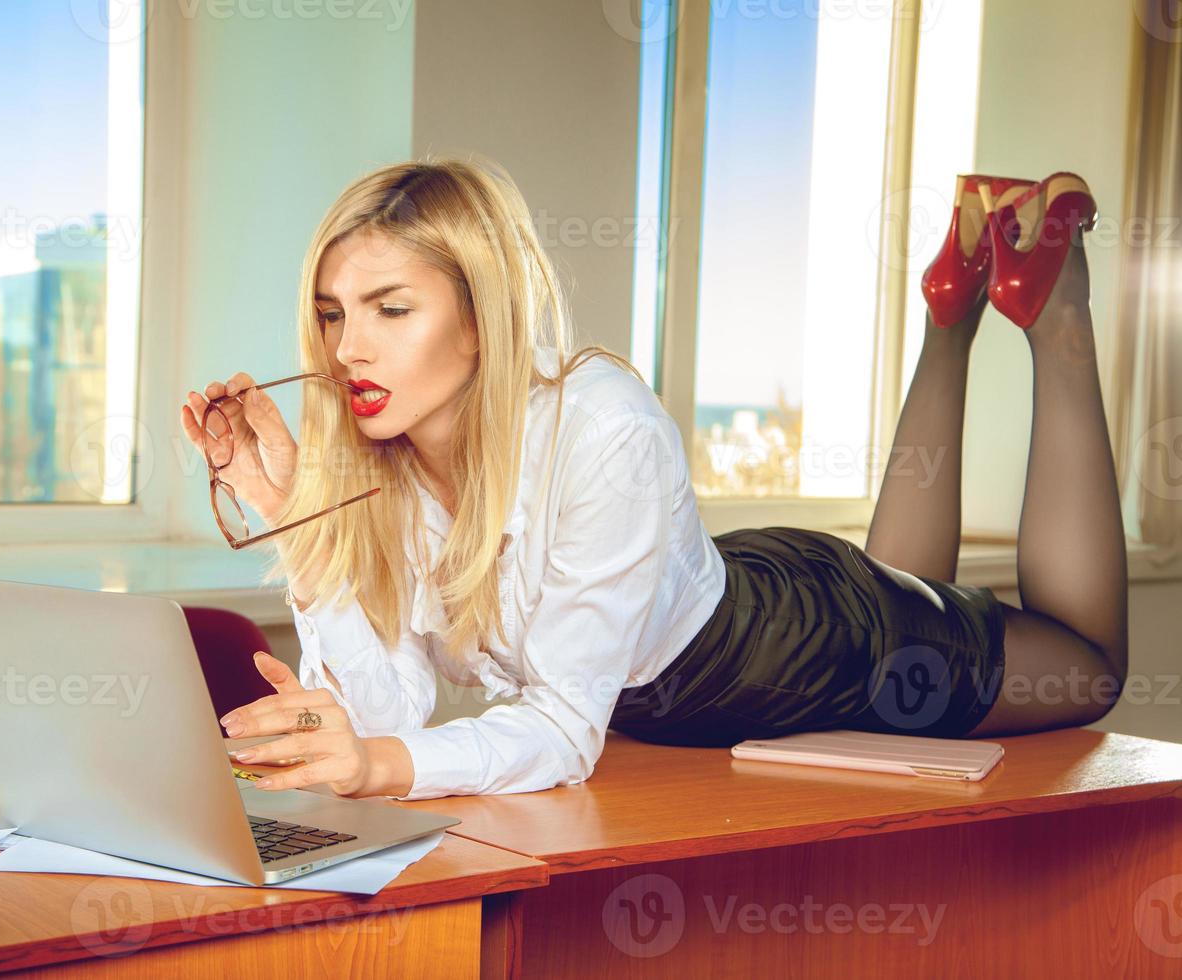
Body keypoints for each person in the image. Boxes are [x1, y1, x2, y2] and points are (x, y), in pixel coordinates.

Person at [180, 159, 1128, 801]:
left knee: (1086, 665)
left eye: (391, 309)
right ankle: (951, 300)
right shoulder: (373, 462)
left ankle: (1055, 305)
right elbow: (386, 712)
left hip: (797, 648)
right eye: (333, 314)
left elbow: (557, 729)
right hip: (716, 623)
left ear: (482, 318)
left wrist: (377, 767)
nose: (350, 348)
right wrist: (299, 522)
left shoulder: (603, 427)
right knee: (905, 579)